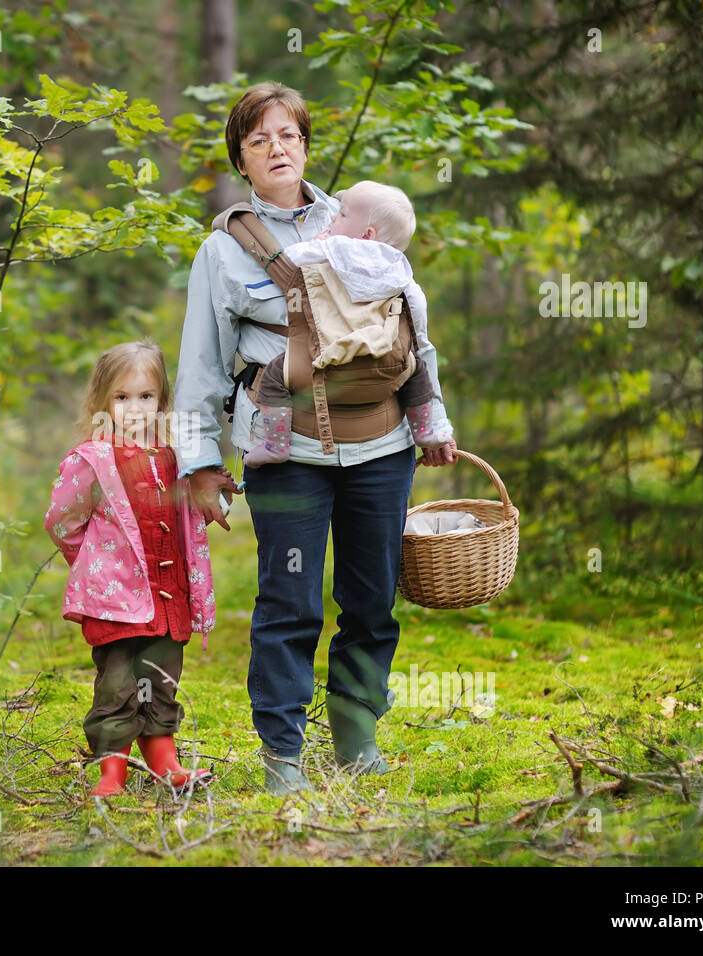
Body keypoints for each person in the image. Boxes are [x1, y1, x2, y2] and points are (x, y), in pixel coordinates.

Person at [172, 82, 458, 794]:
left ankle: (357, 734)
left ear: (306, 146)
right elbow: (199, 366)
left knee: (370, 599)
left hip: (380, 447)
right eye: (260, 138)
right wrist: (200, 464)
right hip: (286, 452)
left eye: (289, 136)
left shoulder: (363, 220)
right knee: (289, 602)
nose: (277, 148)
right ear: (240, 157)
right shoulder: (223, 250)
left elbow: (413, 332)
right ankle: (284, 753)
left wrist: (433, 423)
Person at [43, 340, 218, 797]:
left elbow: (187, 515)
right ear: (103, 400)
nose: (135, 408)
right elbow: (62, 521)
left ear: (162, 400)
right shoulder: (92, 461)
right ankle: (111, 774)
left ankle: (167, 764)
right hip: (115, 599)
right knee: (118, 683)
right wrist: (96, 563)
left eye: (146, 396)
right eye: (122, 398)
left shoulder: (175, 456)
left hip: (167, 593)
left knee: (160, 679)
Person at [244, 179, 454, 468]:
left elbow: (290, 262)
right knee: (416, 370)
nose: (333, 216)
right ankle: (427, 429)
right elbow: (416, 311)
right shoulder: (397, 266)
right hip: (382, 352)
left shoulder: (336, 249)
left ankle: (275, 443)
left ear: (367, 234)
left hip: (329, 349)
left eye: (342, 214)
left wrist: (314, 243)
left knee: (275, 376)